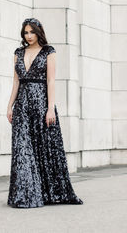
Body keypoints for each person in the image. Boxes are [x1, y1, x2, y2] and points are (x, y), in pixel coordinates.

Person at [6, 17, 83, 208]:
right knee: (22, 151)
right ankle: (25, 195)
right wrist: (9, 106)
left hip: (41, 105)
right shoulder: (18, 52)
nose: (29, 36)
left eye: (32, 32)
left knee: (44, 149)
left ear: (39, 32)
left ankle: (49, 193)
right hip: (22, 105)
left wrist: (50, 109)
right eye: (26, 32)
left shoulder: (49, 52)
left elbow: (50, 81)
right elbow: (16, 82)